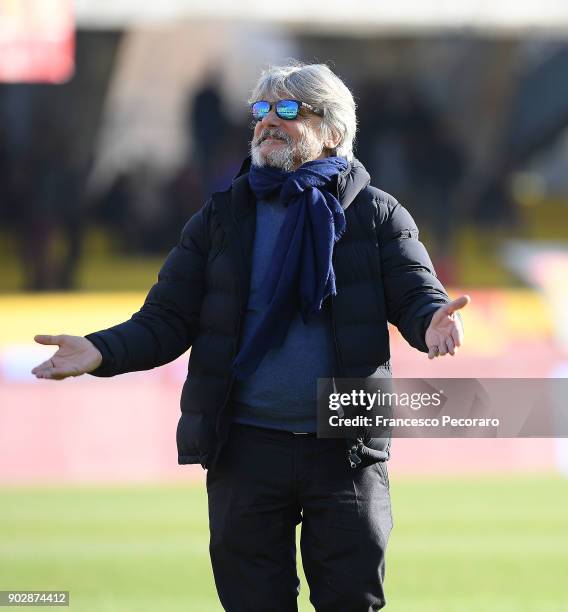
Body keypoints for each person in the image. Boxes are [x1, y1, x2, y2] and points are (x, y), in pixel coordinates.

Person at [32, 62, 469, 611]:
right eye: (261, 110)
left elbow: (415, 292)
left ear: (333, 131)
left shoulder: (377, 215)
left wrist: (431, 320)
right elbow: (167, 318)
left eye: (288, 110)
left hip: (345, 448)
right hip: (244, 443)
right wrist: (101, 350)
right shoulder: (221, 217)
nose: (268, 122)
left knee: (352, 601)